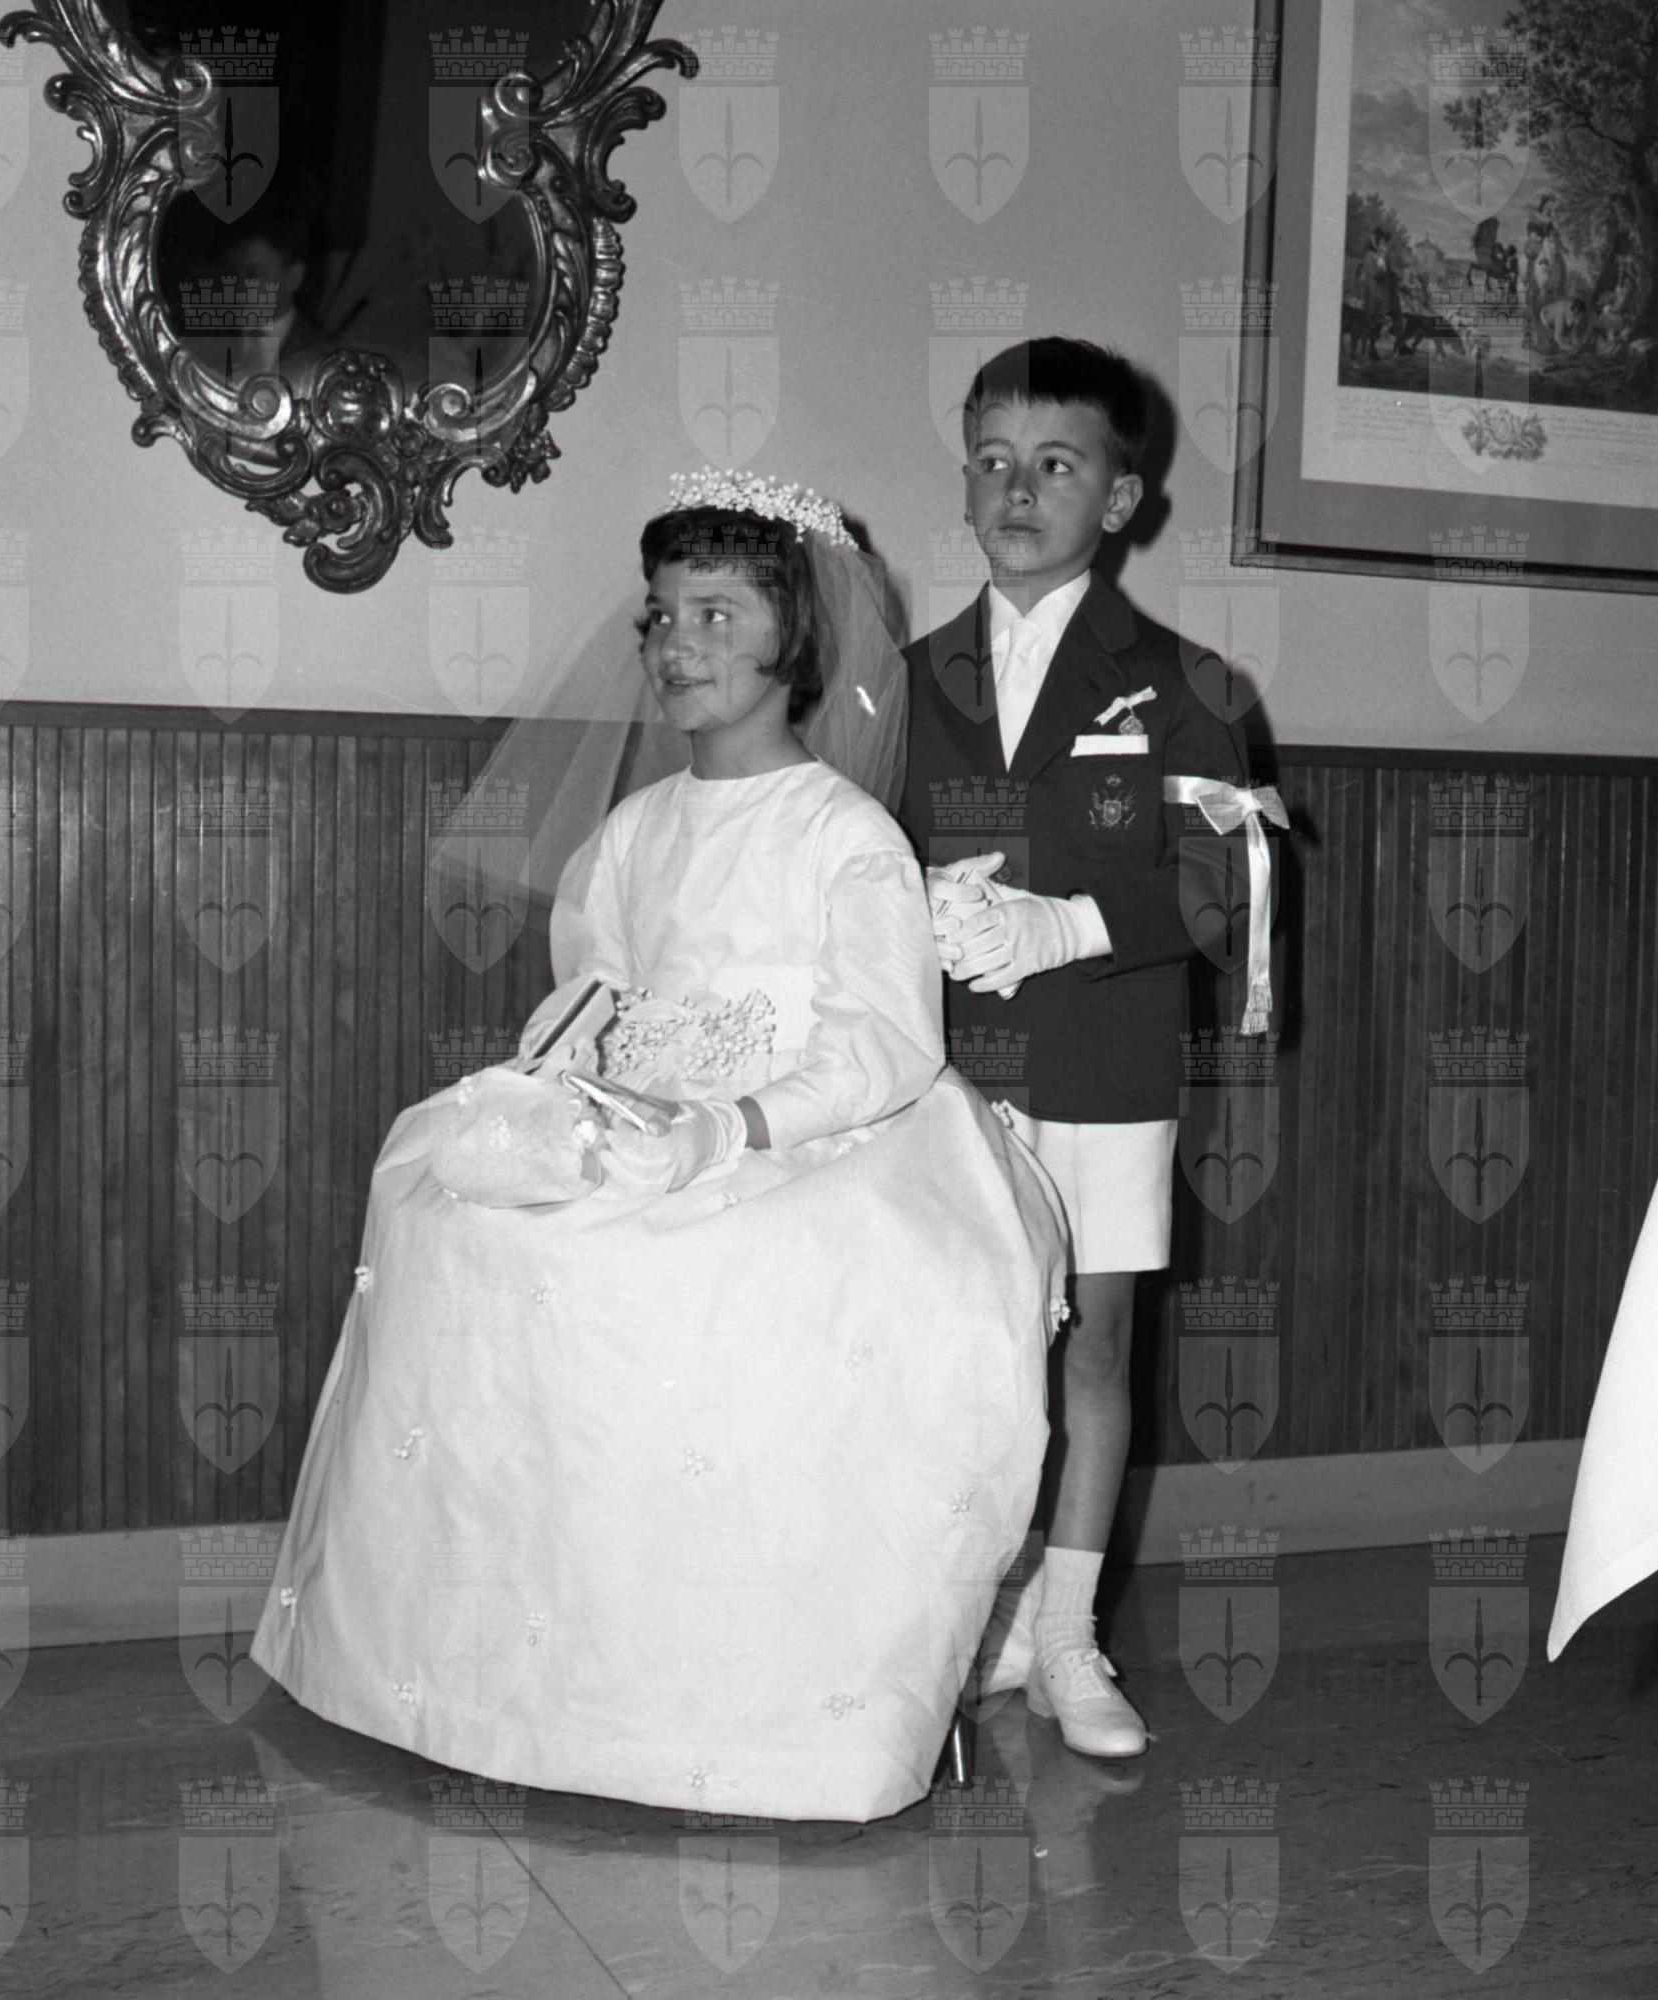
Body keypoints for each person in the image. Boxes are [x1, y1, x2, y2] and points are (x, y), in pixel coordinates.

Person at [249, 471, 1068, 1824]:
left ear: (794, 636)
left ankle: (726, 1699)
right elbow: (602, 989)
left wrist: (730, 1127)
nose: (677, 644)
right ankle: (493, 1666)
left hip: (814, 1121)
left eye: (715, 613)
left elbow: (883, 1042)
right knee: (457, 1221)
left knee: (711, 1275)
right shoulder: (633, 830)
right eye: (661, 616)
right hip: (646, 1103)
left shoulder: (842, 834)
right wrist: (563, 1085)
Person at [899, 338, 1267, 1759]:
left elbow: (1225, 891)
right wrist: (911, 904)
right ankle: (955, 1624)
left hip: (1104, 1057)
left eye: (1055, 464)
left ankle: (1064, 1636)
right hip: (944, 1068)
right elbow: (847, 860)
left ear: (1117, 499)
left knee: (1094, 1343)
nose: (1017, 489)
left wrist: (1069, 925)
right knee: (953, 1342)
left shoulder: (1187, 684)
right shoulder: (898, 683)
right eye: (992, 460)